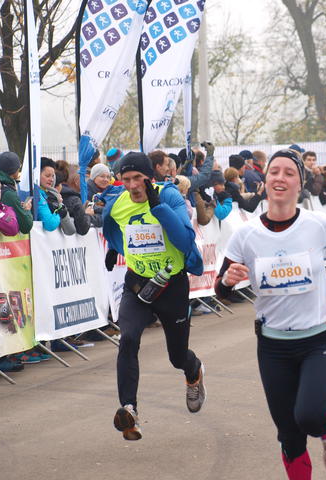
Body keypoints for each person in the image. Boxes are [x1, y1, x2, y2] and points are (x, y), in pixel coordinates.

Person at [215, 148, 326, 479]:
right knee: (290, 438)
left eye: (289, 173)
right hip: (273, 346)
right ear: (265, 181)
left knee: (310, 417)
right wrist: (227, 281)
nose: (280, 178)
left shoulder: (317, 224)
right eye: (274, 172)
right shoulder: (245, 235)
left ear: (300, 184)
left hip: (317, 340)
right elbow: (221, 291)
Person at [102, 152, 205, 440]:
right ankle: (129, 410)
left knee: (177, 356)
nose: (133, 185)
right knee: (128, 338)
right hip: (137, 285)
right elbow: (116, 229)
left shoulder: (169, 197)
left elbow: (185, 241)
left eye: (138, 178)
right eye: (126, 179)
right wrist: (115, 248)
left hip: (172, 285)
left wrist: (158, 208)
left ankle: (194, 371)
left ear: (150, 177)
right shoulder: (117, 204)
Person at [0, 151, 34, 234]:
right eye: (18, 167)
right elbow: (25, 226)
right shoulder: (8, 193)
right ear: (13, 170)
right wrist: (27, 210)